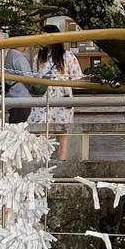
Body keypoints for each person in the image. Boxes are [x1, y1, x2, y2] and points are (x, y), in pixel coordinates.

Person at [28, 23, 83, 158]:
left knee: (49, 130)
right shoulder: (61, 57)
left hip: (50, 97)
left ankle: (42, 159)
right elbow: (77, 78)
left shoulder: (41, 58)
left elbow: (36, 77)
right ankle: (54, 159)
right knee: (57, 131)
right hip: (59, 96)